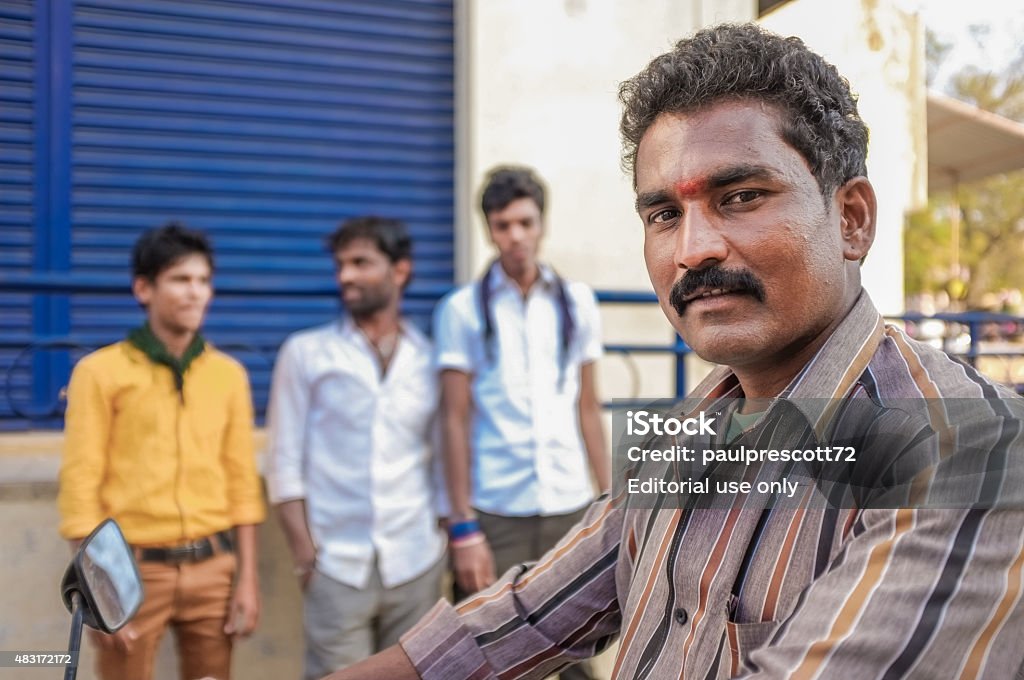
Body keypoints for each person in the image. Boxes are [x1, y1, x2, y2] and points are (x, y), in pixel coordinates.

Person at [323, 23, 1024, 680]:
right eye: (663, 214)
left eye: (742, 196)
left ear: (851, 219)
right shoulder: (695, 426)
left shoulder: (966, 450)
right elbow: (524, 616)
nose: (692, 251)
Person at [58, 222, 265, 680]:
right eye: (180, 279)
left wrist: (247, 578)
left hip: (213, 568)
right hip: (130, 571)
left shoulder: (227, 375)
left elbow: (242, 483)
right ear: (144, 288)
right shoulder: (100, 372)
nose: (195, 293)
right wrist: (98, 589)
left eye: (203, 281)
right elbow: (80, 486)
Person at [431, 165, 610, 680]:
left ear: (542, 224)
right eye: (504, 224)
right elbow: (453, 419)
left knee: (579, 653)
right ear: (489, 228)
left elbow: (588, 408)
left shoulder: (576, 303)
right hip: (497, 512)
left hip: (569, 505)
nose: (516, 236)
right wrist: (462, 525)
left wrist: (607, 499)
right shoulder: (462, 310)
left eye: (525, 223)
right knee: (491, 652)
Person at [266, 216, 447, 679]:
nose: (345, 275)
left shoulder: (428, 358)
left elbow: (441, 456)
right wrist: (305, 556)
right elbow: (283, 462)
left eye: (361, 263)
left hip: (415, 562)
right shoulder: (306, 353)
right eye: (341, 264)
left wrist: (442, 538)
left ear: (399, 271)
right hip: (336, 565)